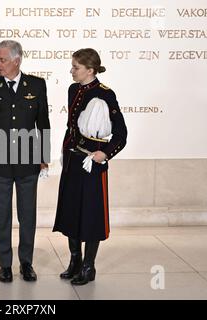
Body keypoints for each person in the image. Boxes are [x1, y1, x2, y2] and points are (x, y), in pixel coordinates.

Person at [0, 40, 50, 283]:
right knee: (2, 215)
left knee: (28, 214)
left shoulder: (37, 84)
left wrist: (44, 156)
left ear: (17, 60)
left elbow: (43, 122)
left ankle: (26, 263)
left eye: (2, 60)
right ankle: (5, 264)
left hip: (28, 161)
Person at [53, 48, 127, 285]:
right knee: (72, 210)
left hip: (92, 164)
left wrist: (104, 153)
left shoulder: (106, 94)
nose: (71, 71)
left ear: (90, 70)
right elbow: (72, 127)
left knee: (91, 214)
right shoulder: (73, 89)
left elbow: (121, 134)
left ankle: (88, 266)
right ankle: (75, 260)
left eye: (76, 67)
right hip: (73, 160)